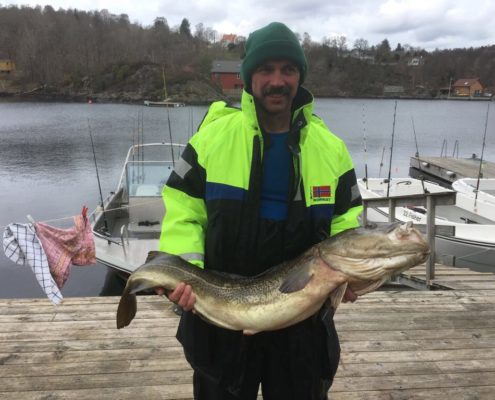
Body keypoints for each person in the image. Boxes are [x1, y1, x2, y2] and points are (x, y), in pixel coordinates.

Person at [158, 21, 363, 400]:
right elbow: (183, 208)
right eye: (266, 69)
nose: (277, 80)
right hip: (221, 314)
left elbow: (346, 220)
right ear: (249, 77)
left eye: (288, 70)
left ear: (299, 77)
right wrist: (189, 273)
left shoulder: (331, 149)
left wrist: (348, 275)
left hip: (302, 318)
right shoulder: (211, 140)